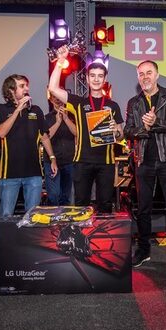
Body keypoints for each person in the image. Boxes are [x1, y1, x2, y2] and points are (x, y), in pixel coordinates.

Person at [124, 60, 166, 267]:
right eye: (141, 74)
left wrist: (156, 122)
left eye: (149, 72)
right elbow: (128, 131)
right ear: (138, 77)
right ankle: (143, 250)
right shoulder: (134, 102)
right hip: (143, 161)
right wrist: (145, 128)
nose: (145, 77)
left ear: (157, 75)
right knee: (143, 209)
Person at [48, 46, 124, 213]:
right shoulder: (79, 103)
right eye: (93, 76)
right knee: (81, 205)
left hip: (106, 163)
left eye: (100, 76)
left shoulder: (113, 106)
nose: (96, 79)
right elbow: (53, 88)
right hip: (82, 162)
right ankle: (82, 232)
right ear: (87, 79)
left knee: (105, 205)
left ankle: (103, 231)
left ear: (105, 79)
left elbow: (120, 136)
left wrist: (115, 132)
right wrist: (60, 62)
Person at [0, 74, 57, 216]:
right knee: (6, 215)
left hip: (34, 172)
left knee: (33, 215)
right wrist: (17, 110)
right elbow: (1, 133)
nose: (27, 89)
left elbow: (44, 137)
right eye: (22, 86)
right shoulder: (1, 108)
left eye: (27, 85)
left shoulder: (36, 110)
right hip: (9, 172)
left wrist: (52, 158)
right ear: (11, 90)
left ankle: (30, 232)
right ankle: (7, 232)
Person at [43, 93, 76, 206]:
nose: (58, 100)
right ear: (51, 100)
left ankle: (64, 215)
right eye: (55, 98)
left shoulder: (72, 116)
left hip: (69, 160)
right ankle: (53, 214)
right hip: (51, 161)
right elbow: (46, 137)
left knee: (66, 196)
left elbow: (77, 133)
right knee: (53, 195)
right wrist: (58, 122)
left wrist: (66, 119)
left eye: (60, 98)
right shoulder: (46, 117)